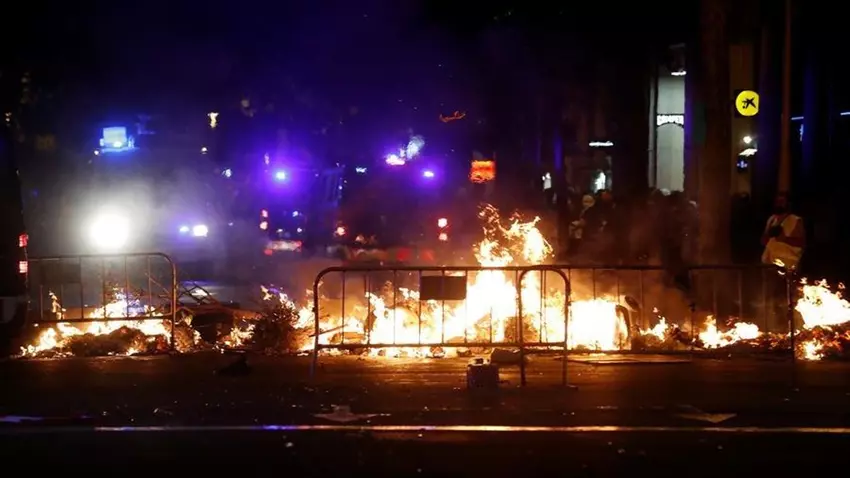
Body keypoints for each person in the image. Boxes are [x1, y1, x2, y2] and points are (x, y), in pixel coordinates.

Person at [760, 193, 805, 272]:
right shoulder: (771, 219)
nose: (778, 204)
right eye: (777, 202)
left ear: (788, 204)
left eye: (781, 202)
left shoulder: (795, 220)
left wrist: (785, 239)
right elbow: (763, 241)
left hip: (788, 264)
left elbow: (801, 243)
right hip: (770, 262)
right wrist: (769, 237)